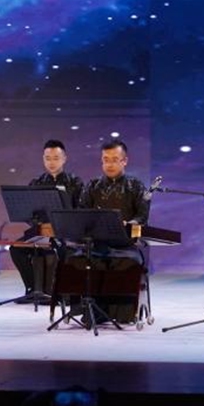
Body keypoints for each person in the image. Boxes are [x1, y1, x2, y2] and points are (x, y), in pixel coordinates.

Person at [67, 139, 149, 325]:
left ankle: (121, 314)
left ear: (124, 161)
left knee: (126, 262)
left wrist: (128, 223)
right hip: (96, 244)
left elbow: (142, 216)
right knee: (77, 259)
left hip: (125, 245)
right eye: (106, 160)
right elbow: (81, 212)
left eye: (114, 160)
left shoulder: (136, 186)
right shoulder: (92, 185)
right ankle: (92, 310)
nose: (109, 164)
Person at [8, 139, 84, 304]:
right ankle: (32, 289)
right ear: (43, 159)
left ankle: (60, 293)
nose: (51, 162)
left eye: (56, 158)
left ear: (64, 159)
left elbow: (80, 210)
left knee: (63, 249)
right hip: (41, 231)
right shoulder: (37, 183)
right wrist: (39, 224)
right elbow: (28, 213)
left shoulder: (75, 182)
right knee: (16, 249)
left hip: (65, 233)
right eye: (48, 158)